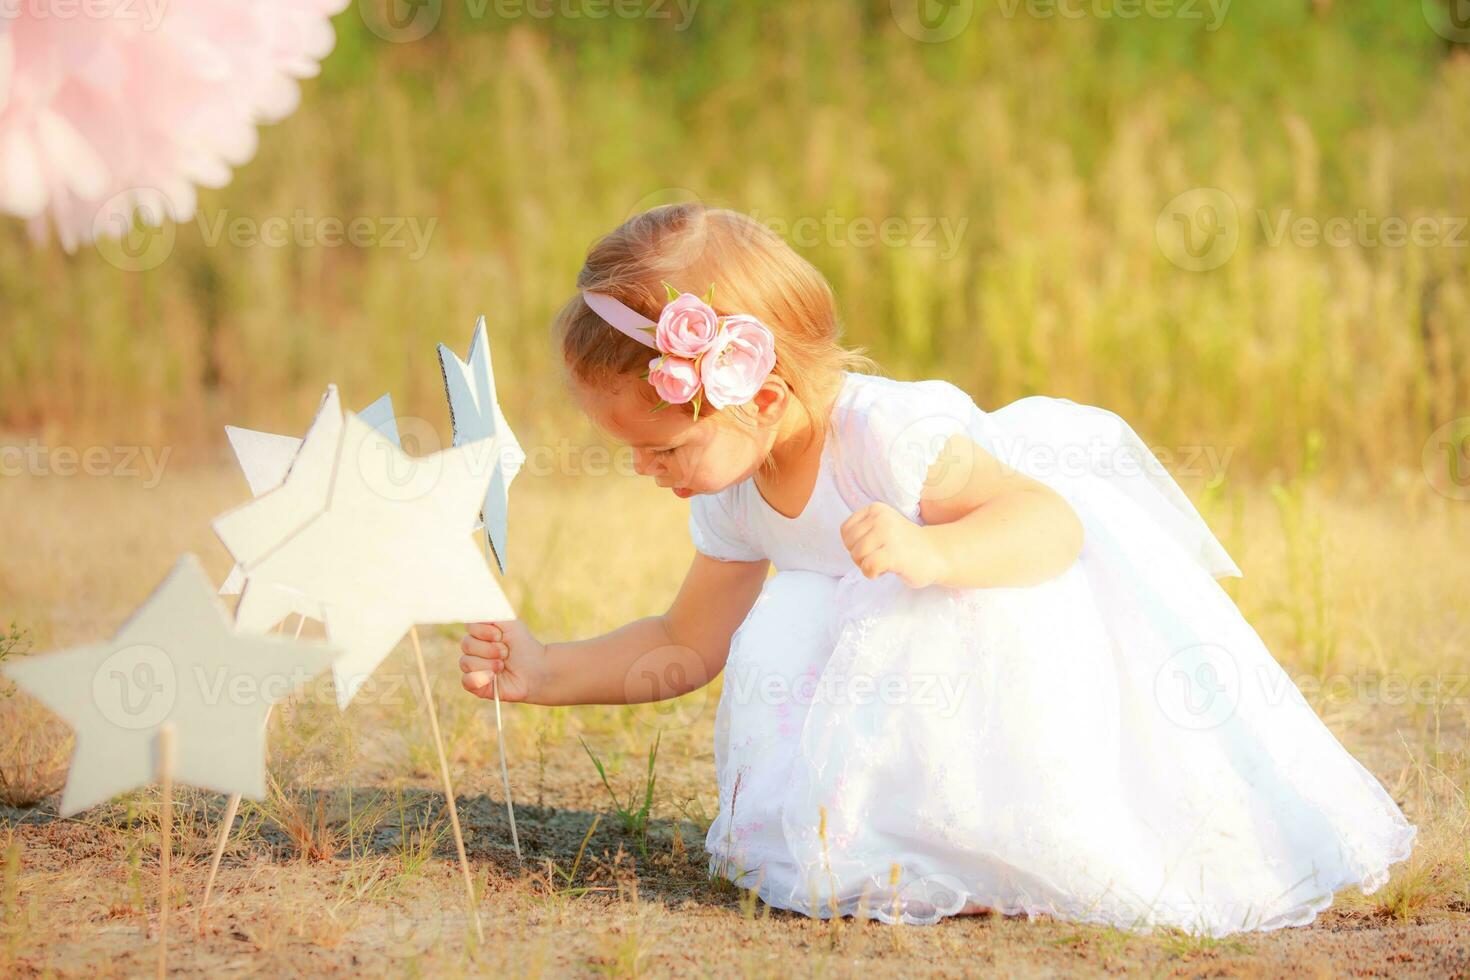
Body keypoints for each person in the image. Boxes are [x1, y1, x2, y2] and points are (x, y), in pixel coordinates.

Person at [458, 203, 1415, 935]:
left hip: (1013, 624)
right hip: (901, 662)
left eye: (663, 451)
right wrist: (545, 673)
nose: (642, 472)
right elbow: (681, 643)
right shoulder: (733, 491)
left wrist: (935, 551)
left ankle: (994, 845)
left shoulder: (891, 437)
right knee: (803, 614)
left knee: (898, 601)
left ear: (760, 395)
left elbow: (1051, 525)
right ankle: (888, 846)